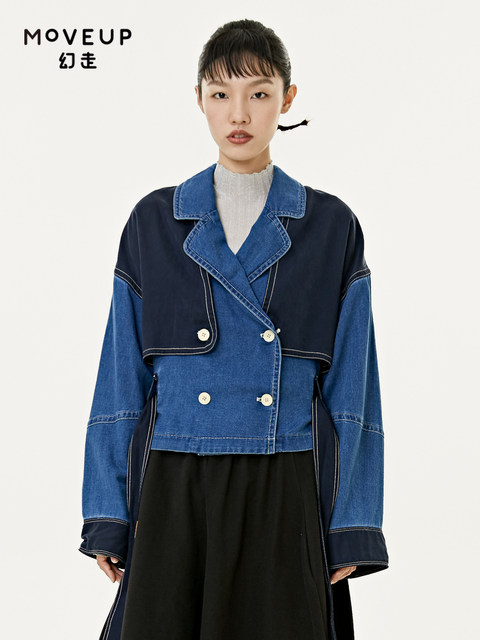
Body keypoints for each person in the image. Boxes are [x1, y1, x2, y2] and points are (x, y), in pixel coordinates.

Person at [79, 18, 389, 640]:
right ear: (199, 99)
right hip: (173, 482)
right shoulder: (154, 221)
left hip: (284, 479)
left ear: (287, 99)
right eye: (221, 93)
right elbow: (121, 380)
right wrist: (108, 512)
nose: (239, 113)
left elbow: (354, 389)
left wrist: (351, 523)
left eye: (259, 92)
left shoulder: (330, 225)